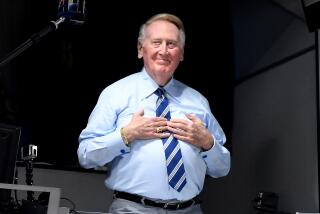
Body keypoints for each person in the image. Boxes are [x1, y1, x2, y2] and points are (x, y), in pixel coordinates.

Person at [77, 13, 230, 214]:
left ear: (181, 54)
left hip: (190, 210)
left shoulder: (199, 102)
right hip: (133, 209)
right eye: (157, 42)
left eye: (172, 44)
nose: (164, 50)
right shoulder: (115, 93)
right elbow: (86, 155)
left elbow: (222, 168)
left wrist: (207, 142)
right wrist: (127, 135)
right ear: (141, 49)